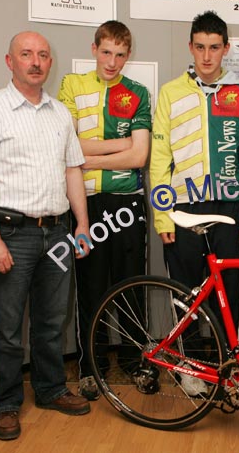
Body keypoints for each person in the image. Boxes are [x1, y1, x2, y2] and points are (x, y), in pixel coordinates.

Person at [0, 31, 91, 441]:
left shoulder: (60, 115)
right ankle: (5, 403)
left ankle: (51, 389)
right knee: (7, 328)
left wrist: (82, 226)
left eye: (43, 55)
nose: (35, 61)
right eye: (26, 54)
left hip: (56, 232)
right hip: (11, 233)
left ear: (49, 63)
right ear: (9, 60)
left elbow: (73, 171)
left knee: (52, 321)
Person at [58, 20, 151, 401]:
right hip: (87, 205)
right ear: (94, 48)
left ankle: (136, 362)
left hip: (128, 202)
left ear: (128, 56)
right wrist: (119, 147)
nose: (112, 62)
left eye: (120, 54)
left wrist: (87, 156)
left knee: (132, 285)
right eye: (106, 51)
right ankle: (90, 367)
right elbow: (66, 146)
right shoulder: (71, 85)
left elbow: (141, 154)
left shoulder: (138, 92)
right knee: (91, 288)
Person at [150, 10, 239, 333]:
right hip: (183, 208)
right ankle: (189, 365)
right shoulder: (171, 93)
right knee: (185, 291)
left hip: (228, 209)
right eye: (200, 47)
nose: (207, 55)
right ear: (190, 47)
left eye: (214, 47)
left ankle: (229, 361)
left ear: (226, 48)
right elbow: (160, 159)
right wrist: (161, 215)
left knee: (228, 290)